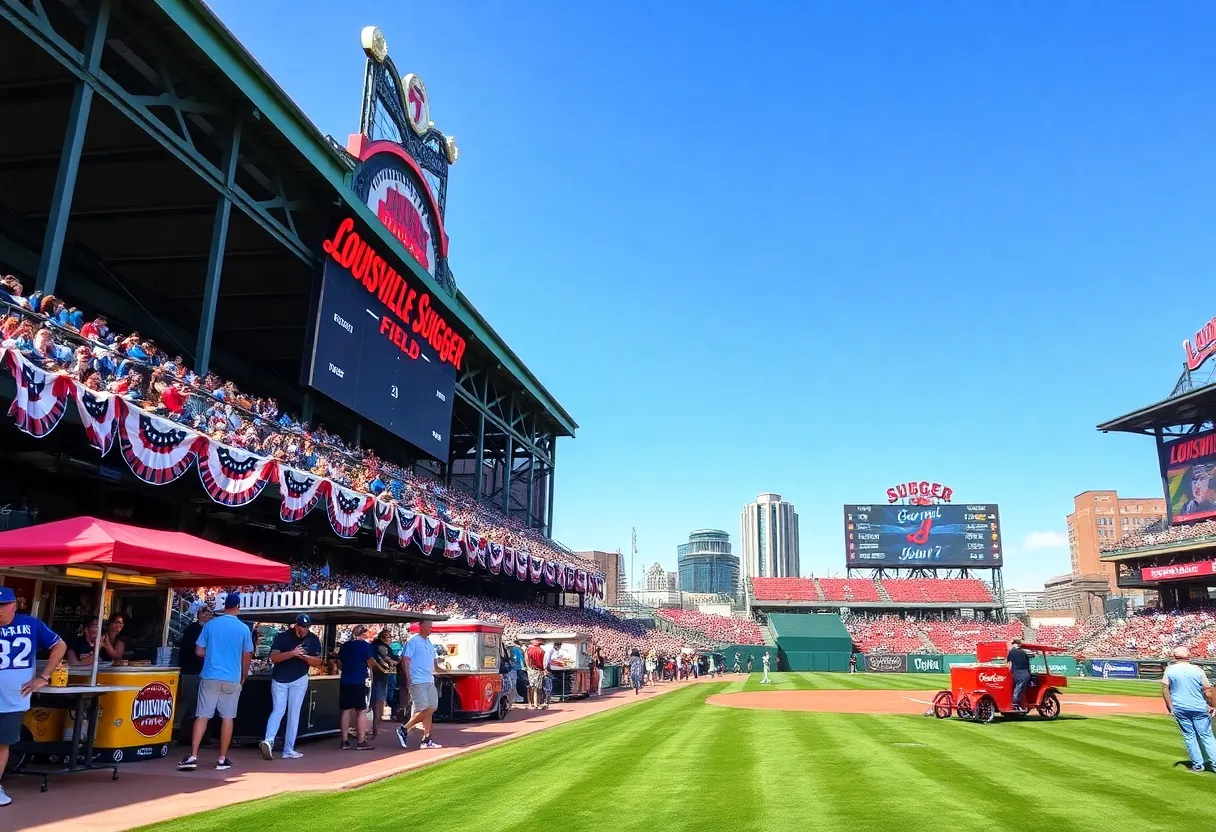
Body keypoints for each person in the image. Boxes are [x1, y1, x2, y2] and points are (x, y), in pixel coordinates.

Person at [0, 586, 67, 808]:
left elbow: (59, 645)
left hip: (12, 698)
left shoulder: (30, 624)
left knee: (2, 743)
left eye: (3, 606)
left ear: (13, 606)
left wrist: (44, 676)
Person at [179, 592, 253, 772]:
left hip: (210, 674)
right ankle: (221, 758)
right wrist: (243, 676)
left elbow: (198, 651)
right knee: (228, 718)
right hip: (232, 677)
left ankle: (193, 756)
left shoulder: (211, 625)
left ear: (224, 605)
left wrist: (212, 653)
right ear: (238, 607)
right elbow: (247, 655)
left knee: (202, 715)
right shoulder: (243, 628)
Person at [259, 614, 322, 760]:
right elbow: (274, 658)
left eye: (306, 627)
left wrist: (303, 657)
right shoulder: (283, 637)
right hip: (280, 678)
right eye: (301, 626)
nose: (303, 630)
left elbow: (317, 662)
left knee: (294, 713)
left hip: (299, 678)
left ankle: (288, 749)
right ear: (296, 625)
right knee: (278, 710)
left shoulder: (312, 639)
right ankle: (268, 741)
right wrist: (292, 653)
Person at [1162, 646, 1216, 773]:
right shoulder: (1197, 670)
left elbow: (1165, 689)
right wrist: (1212, 705)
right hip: (1198, 707)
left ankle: (1198, 765)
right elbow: (1207, 690)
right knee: (1207, 736)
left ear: (1174, 657)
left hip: (1180, 707)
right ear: (1189, 657)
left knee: (1189, 736)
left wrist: (1170, 707)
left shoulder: (1170, 670)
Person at [397, 620, 441, 750]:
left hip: (429, 679)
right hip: (417, 680)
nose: (430, 629)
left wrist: (442, 670)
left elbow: (434, 662)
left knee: (432, 707)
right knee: (424, 709)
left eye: (431, 626)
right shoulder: (413, 641)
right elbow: (405, 659)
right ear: (421, 627)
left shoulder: (429, 642)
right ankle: (405, 729)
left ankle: (426, 739)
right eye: (429, 626)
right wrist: (408, 679)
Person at [337, 625, 377, 751]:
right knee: (361, 710)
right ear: (363, 633)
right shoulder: (365, 646)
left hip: (346, 680)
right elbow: (370, 662)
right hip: (360, 680)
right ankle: (361, 741)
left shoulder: (345, 646)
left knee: (345, 710)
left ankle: (344, 740)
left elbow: (339, 662)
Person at [370, 628, 399, 739]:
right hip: (378, 677)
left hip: (380, 677)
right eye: (387, 637)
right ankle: (375, 731)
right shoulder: (380, 647)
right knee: (378, 702)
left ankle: (375, 729)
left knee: (379, 702)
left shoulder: (379, 646)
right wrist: (395, 662)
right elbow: (387, 660)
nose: (389, 639)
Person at [1007, 638, 1032, 712]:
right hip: (1025, 673)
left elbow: (1009, 664)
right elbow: (1028, 665)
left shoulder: (1012, 652)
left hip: (1016, 672)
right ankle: (1016, 701)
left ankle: (1014, 701)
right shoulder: (1024, 653)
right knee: (1020, 688)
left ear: (1014, 644)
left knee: (1016, 687)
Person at [525, 638, 546, 710]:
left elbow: (527, 660)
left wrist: (528, 668)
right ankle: (537, 703)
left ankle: (531, 703)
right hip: (539, 670)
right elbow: (544, 663)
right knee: (538, 688)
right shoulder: (542, 651)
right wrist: (544, 669)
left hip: (531, 670)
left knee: (531, 687)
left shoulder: (528, 650)